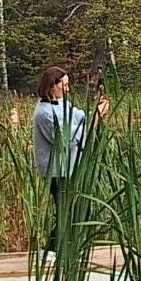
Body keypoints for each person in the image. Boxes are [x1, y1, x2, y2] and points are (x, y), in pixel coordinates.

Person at [32, 66, 109, 261]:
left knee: (76, 208)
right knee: (66, 210)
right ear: (52, 87)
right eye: (64, 85)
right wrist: (95, 120)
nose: (68, 89)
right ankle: (50, 251)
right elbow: (67, 138)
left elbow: (79, 117)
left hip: (71, 167)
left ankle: (66, 249)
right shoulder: (44, 113)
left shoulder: (60, 104)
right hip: (58, 171)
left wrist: (96, 109)